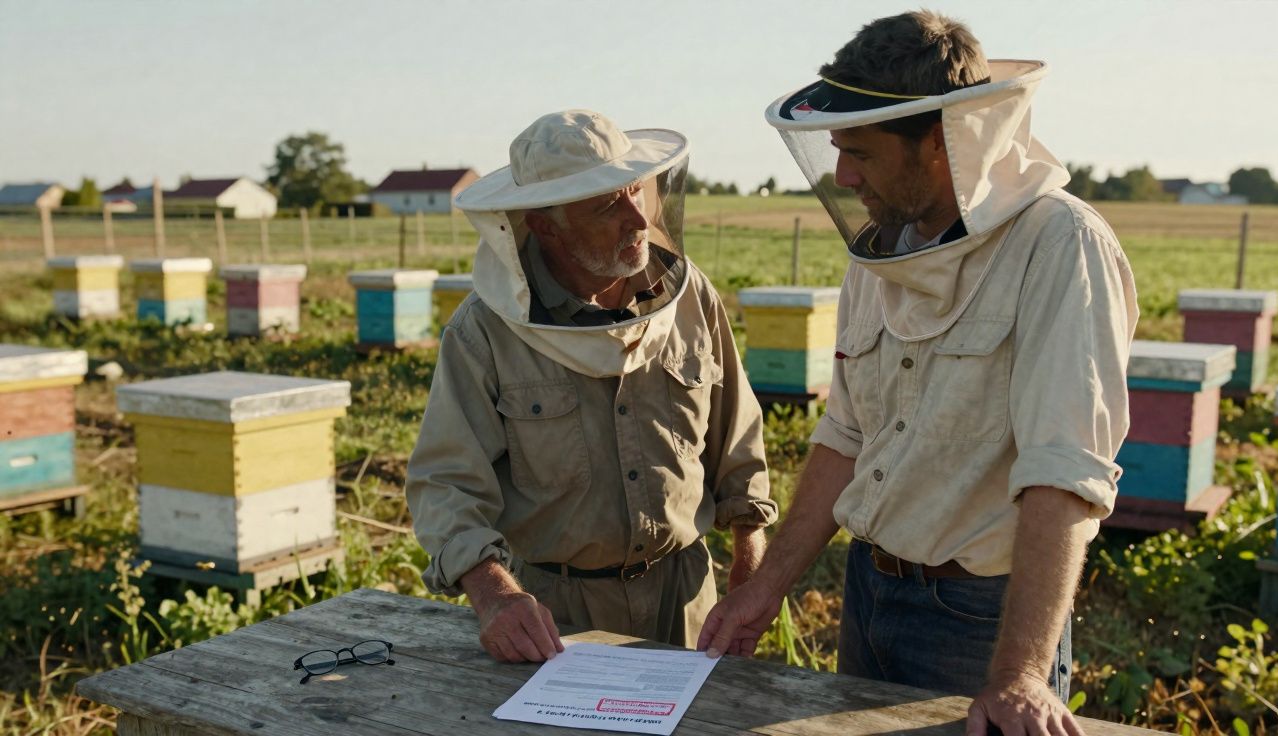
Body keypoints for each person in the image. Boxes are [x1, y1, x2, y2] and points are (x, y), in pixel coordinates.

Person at [697, 11, 1137, 736]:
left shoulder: (1059, 247)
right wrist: (767, 589)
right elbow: (846, 434)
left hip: (980, 622)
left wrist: (1020, 673)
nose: (843, 175)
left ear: (940, 141)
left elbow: (1063, 472)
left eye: (861, 152)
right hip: (870, 593)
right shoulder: (882, 252)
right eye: (837, 150)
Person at [406, 110, 777, 665]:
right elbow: (444, 484)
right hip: (554, 619)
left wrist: (751, 565)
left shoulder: (691, 295)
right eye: (606, 205)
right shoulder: (484, 331)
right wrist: (494, 596)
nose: (636, 217)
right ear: (545, 225)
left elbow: (738, 445)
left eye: (635, 192)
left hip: (687, 600)